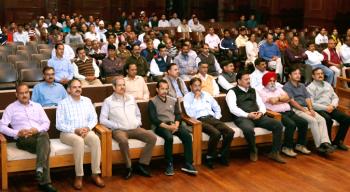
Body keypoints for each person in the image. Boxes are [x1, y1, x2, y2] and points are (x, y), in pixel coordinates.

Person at [0, 83, 57, 192]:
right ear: (16, 94)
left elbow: (46, 123)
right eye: (21, 93)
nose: (24, 95)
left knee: (43, 135)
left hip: (39, 135)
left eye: (26, 92)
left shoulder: (37, 106)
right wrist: (17, 133)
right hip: (24, 139)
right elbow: (1, 126)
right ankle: (45, 183)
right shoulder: (11, 108)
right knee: (45, 144)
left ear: (29, 93)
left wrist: (37, 129)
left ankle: (40, 170)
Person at [100, 77, 157, 179]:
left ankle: (142, 164)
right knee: (123, 141)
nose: (122, 87)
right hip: (119, 130)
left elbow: (138, 114)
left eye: (124, 85)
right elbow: (103, 120)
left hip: (134, 128)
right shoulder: (108, 101)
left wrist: (137, 122)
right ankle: (128, 167)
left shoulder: (131, 98)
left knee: (152, 137)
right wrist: (116, 125)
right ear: (113, 87)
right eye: (119, 85)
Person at [226, 70, 285, 163]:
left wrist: (261, 113)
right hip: (242, 117)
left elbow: (261, 104)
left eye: (249, 79)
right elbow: (233, 108)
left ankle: (275, 152)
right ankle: (253, 150)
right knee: (248, 129)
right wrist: (247, 115)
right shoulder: (232, 92)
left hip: (257, 115)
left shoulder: (253, 90)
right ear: (238, 81)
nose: (248, 81)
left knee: (278, 125)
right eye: (246, 79)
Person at [56, 79, 105, 190]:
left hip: (85, 130)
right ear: (68, 90)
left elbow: (94, 118)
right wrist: (75, 130)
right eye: (74, 87)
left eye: (79, 87)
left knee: (96, 139)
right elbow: (59, 124)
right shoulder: (63, 104)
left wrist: (87, 128)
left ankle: (95, 174)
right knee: (79, 141)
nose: (78, 89)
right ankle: (79, 176)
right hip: (68, 133)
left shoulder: (87, 101)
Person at [149, 80, 198, 175]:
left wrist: (176, 125)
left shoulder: (173, 100)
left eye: (166, 89)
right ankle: (169, 164)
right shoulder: (152, 101)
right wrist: (168, 127)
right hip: (160, 126)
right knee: (169, 137)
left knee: (187, 136)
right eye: (162, 89)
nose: (164, 91)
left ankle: (188, 163)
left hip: (173, 124)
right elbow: (154, 119)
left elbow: (178, 115)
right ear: (157, 89)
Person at [282, 67, 335, 155]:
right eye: (295, 73)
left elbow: (308, 98)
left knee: (322, 119)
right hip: (296, 109)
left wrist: (310, 109)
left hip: (306, 108)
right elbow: (292, 102)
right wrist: (305, 111)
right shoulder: (286, 87)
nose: (298, 75)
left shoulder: (302, 85)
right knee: (313, 120)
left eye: (299, 73)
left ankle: (326, 143)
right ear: (289, 76)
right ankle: (319, 146)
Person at [184, 78, 234, 168]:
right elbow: (190, 114)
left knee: (230, 132)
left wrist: (217, 117)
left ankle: (222, 155)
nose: (197, 88)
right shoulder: (187, 97)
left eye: (199, 85)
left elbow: (217, 107)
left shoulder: (207, 95)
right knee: (216, 133)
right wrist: (195, 98)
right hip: (199, 120)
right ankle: (209, 157)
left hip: (212, 118)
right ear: (190, 87)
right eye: (195, 86)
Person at [257, 72, 310, 157]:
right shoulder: (261, 92)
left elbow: (289, 98)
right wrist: (282, 99)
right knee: (291, 124)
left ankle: (300, 145)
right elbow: (272, 102)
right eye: (270, 81)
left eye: (274, 81)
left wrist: (278, 99)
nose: (272, 83)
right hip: (277, 114)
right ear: (265, 82)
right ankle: (287, 147)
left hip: (288, 111)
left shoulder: (279, 89)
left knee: (304, 122)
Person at [307, 68, 350, 150]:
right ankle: (328, 143)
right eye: (318, 74)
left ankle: (338, 141)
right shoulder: (310, 87)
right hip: (319, 109)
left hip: (330, 107)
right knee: (327, 119)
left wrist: (333, 106)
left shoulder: (327, 85)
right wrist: (326, 108)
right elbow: (311, 104)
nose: (320, 75)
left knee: (346, 119)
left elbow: (335, 97)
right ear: (313, 76)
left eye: (322, 74)